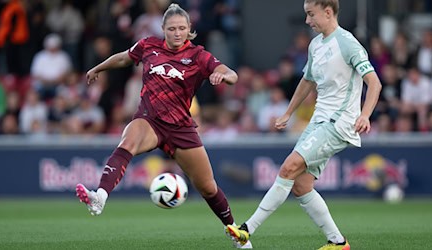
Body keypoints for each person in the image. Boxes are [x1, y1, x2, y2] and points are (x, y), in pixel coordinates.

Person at [75, 4, 252, 249]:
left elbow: (230, 73)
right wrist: (98, 67)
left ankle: (237, 235)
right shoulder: (149, 45)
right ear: (163, 29)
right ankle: (100, 197)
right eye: (172, 29)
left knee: (208, 187)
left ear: (189, 29)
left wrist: (223, 76)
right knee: (128, 141)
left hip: (181, 128)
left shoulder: (199, 56)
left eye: (182, 28)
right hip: (150, 120)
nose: (177, 33)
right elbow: (124, 58)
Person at [226, 0, 382, 249]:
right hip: (318, 121)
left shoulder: (348, 43)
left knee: (288, 168)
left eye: (311, 14)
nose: (307, 21)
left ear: (328, 12)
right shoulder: (316, 45)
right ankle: (338, 242)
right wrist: (288, 112)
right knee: (300, 185)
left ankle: (246, 229)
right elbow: (307, 81)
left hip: (337, 122)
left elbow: (374, 83)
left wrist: (365, 115)